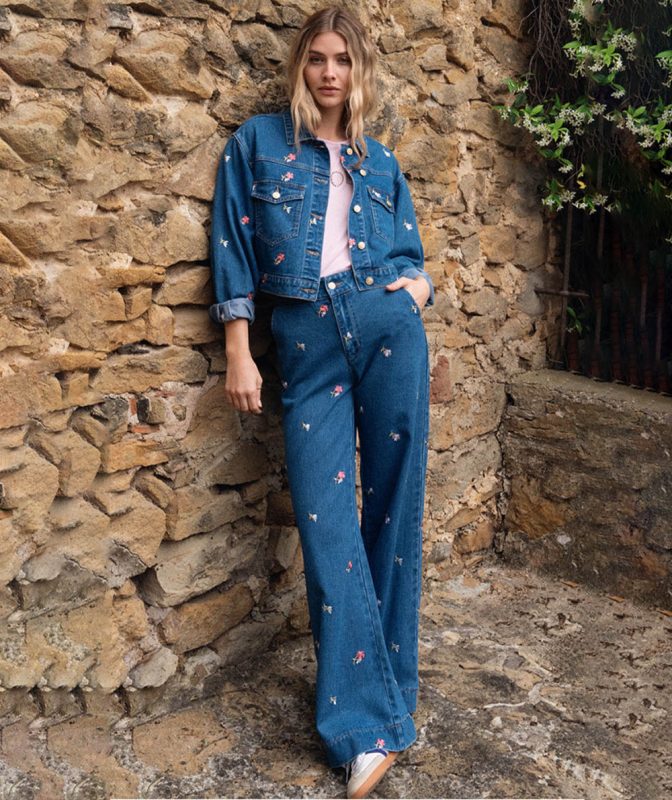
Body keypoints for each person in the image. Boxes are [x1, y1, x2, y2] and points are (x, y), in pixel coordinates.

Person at [208, 6, 433, 798]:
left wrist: (416, 294)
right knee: (325, 520)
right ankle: (368, 722)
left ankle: (383, 701)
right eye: (317, 59)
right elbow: (232, 246)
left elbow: (411, 252)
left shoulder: (381, 160)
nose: (329, 72)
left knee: (395, 509)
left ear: (358, 71)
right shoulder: (258, 143)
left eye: (342, 60)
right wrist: (239, 348)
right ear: (300, 66)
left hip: (387, 325)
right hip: (305, 340)